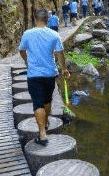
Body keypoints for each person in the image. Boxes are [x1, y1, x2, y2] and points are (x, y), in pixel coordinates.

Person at [19, 10, 70, 146]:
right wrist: (64, 69)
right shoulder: (54, 34)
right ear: (48, 20)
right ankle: (45, 121)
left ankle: (42, 134)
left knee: (38, 103)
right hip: (49, 74)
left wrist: (26, 61)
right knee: (47, 100)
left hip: (34, 74)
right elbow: (60, 53)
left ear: (35, 19)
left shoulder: (27, 34)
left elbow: (22, 50)